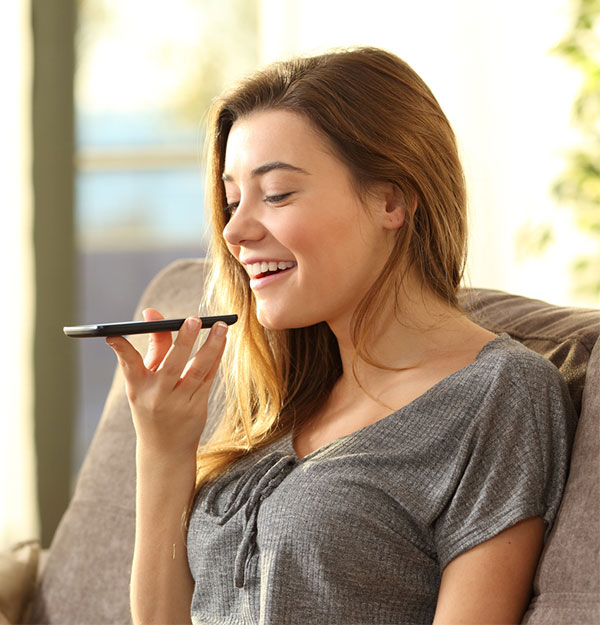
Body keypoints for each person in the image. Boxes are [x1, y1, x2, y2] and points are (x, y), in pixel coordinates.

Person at [107, 47, 577, 625]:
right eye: (232, 201)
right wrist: (163, 447)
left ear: (391, 200)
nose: (234, 231)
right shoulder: (286, 395)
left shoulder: (502, 393)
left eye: (276, 194)